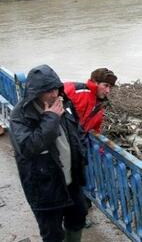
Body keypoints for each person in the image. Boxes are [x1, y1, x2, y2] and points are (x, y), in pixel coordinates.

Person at [9, 65, 88, 242]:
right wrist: (50, 118)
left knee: (77, 220)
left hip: (71, 182)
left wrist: (81, 155)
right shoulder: (20, 117)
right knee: (52, 234)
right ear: (35, 92)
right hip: (44, 188)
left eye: (56, 89)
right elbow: (28, 147)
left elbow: (77, 131)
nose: (54, 94)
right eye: (48, 91)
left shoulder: (63, 102)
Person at [64, 68, 117, 134]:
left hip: (76, 139)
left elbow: (95, 130)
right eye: (105, 85)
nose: (108, 91)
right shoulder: (74, 90)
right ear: (95, 82)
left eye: (110, 87)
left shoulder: (100, 108)